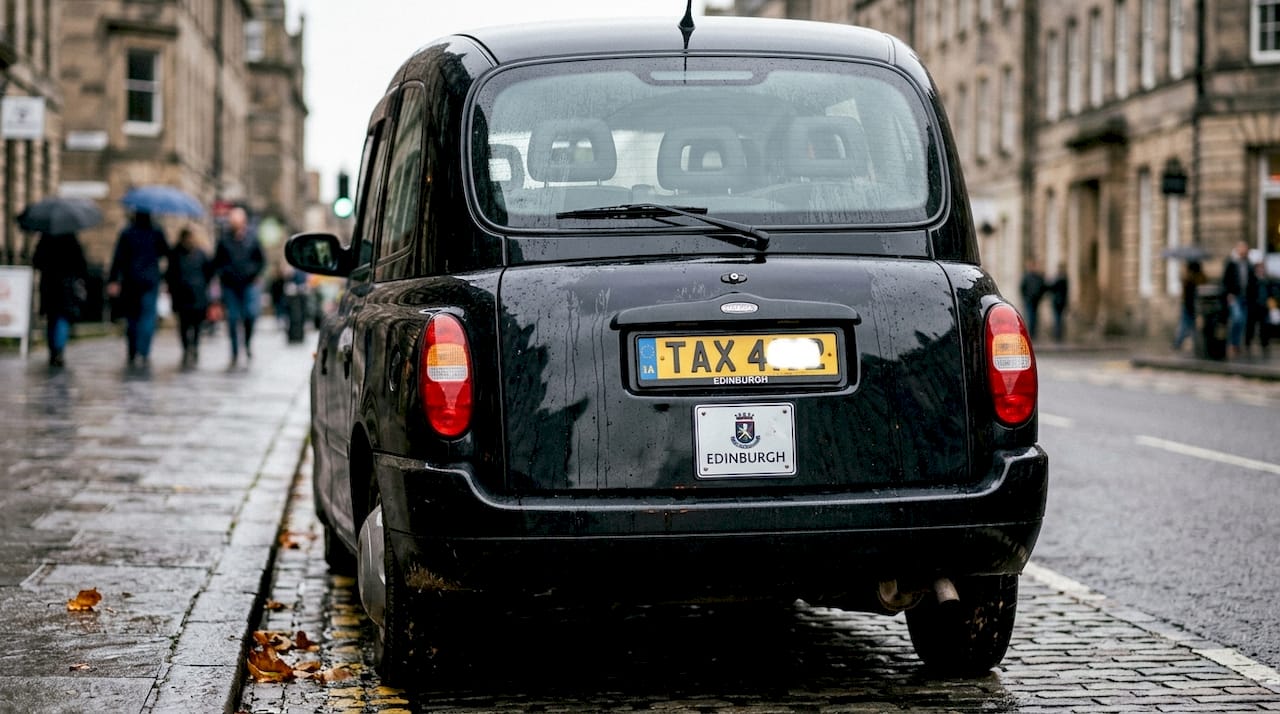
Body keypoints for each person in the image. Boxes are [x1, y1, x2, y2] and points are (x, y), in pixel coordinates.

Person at [107, 211, 169, 368]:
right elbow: (165, 252)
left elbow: (118, 257)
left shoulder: (127, 232)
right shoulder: (156, 231)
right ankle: (144, 351)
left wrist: (113, 279)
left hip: (131, 280)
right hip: (149, 280)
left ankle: (133, 350)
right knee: (148, 316)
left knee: (132, 317)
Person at [212, 206, 266, 367]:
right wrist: (224, 273)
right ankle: (235, 351)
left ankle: (247, 344)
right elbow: (217, 261)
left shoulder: (252, 238)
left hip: (249, 283)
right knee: (233, 318)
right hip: (230, 285)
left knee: (250, 315)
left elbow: (261, 260)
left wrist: (254, 273)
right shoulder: (224, 239)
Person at [30, 232, 88, 368]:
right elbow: (81, 264)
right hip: (67, 285)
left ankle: (53, 350)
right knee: (62, 317)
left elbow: (36, 261)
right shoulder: (71, 238)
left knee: (52, 318)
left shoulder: (46, 238)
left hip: (49, 284)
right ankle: (59, 349)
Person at [166, 226, 215, 369]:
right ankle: (187, 347)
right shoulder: (175, 254)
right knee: (183, 324)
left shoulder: (201, 254)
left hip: (197, 295)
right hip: (181, 296)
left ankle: (194, 345)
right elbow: (170, 274)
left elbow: (209, 272)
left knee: (197, 324)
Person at [1221, 241, 1254, 360]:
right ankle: (1232, 343)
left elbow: (1252, 281)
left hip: (1245, 297)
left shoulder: (1248, 263)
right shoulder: (1231, 262)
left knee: (1242, 321)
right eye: (1243, 248)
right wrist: (1229, 294)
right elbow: (1225, 280)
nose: (1244, 250)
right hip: (1234, 296)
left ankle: (1236, 344)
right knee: (1237, 319)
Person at [1172, 260, 1206, 353]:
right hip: (1190, 306)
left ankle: (1180, 343)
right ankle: (1179, 343)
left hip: (1189, 306)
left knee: (1188, 327)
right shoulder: (1192, 279)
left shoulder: (1192, 278)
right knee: (1188, 326)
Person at [1020, 258, 1046, 340]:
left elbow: (1043, 287)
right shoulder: (1027, 277)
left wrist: (1040, 296)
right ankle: (1031, 332)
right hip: (1029, 300)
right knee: (1031, 315)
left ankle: (1033, 331)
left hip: (1036, 300)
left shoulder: (1038, 277)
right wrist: (1025, 297)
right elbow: (1022, 287)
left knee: (1034, 316)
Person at [1048, 263, 1069, 343]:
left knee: (1057, 318)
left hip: (1057, 301)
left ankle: (1057, 333)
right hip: (1062, 301)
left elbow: (1051, 287)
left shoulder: (1058, 279)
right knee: (1060, 318)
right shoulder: (1065, 279)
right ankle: (1058, 333)